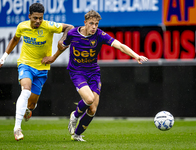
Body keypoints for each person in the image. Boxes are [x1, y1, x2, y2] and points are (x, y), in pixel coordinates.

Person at [42, 10, 148, 142]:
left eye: (96, 24)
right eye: (91, 23)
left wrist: (136, 56)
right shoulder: (72, 33)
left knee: (92, 109)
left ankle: (77, 135)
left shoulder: (100, 35)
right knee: (89, 99)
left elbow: (120, 46)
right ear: (85, 22)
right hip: (77, 72)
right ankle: (74, 116)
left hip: (93, 72)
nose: (94, 27)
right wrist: (53, 57)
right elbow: (62, 47)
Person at [0, 3, 74, 141]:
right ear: (29, 16)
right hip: (25, 64)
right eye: (35, 18)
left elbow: (70, 27)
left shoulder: (49, 25)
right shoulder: (22, 26)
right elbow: (15, 39)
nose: (38, 21)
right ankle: (17, 129)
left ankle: (28, 109)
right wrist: (4, 57)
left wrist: (63, 39)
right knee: (25, 90)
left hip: (42, 68)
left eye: (40, 18)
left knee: (31, 104)